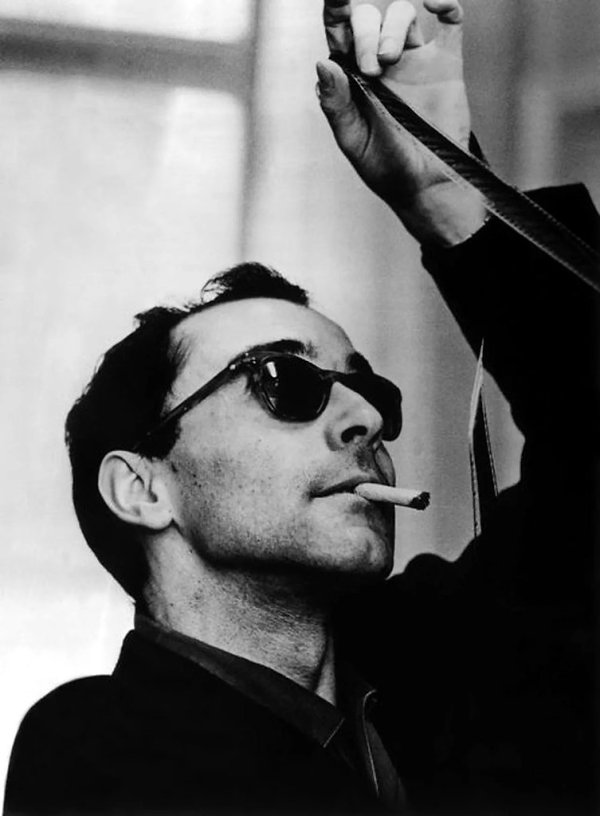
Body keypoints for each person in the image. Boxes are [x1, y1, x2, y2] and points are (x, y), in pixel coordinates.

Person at [4, 1, 598, 814]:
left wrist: (445, 192)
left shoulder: (454, 658)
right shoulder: (92, 749)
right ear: (142, 488)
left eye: (370, 391)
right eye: (285, 382)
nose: (366, 420)